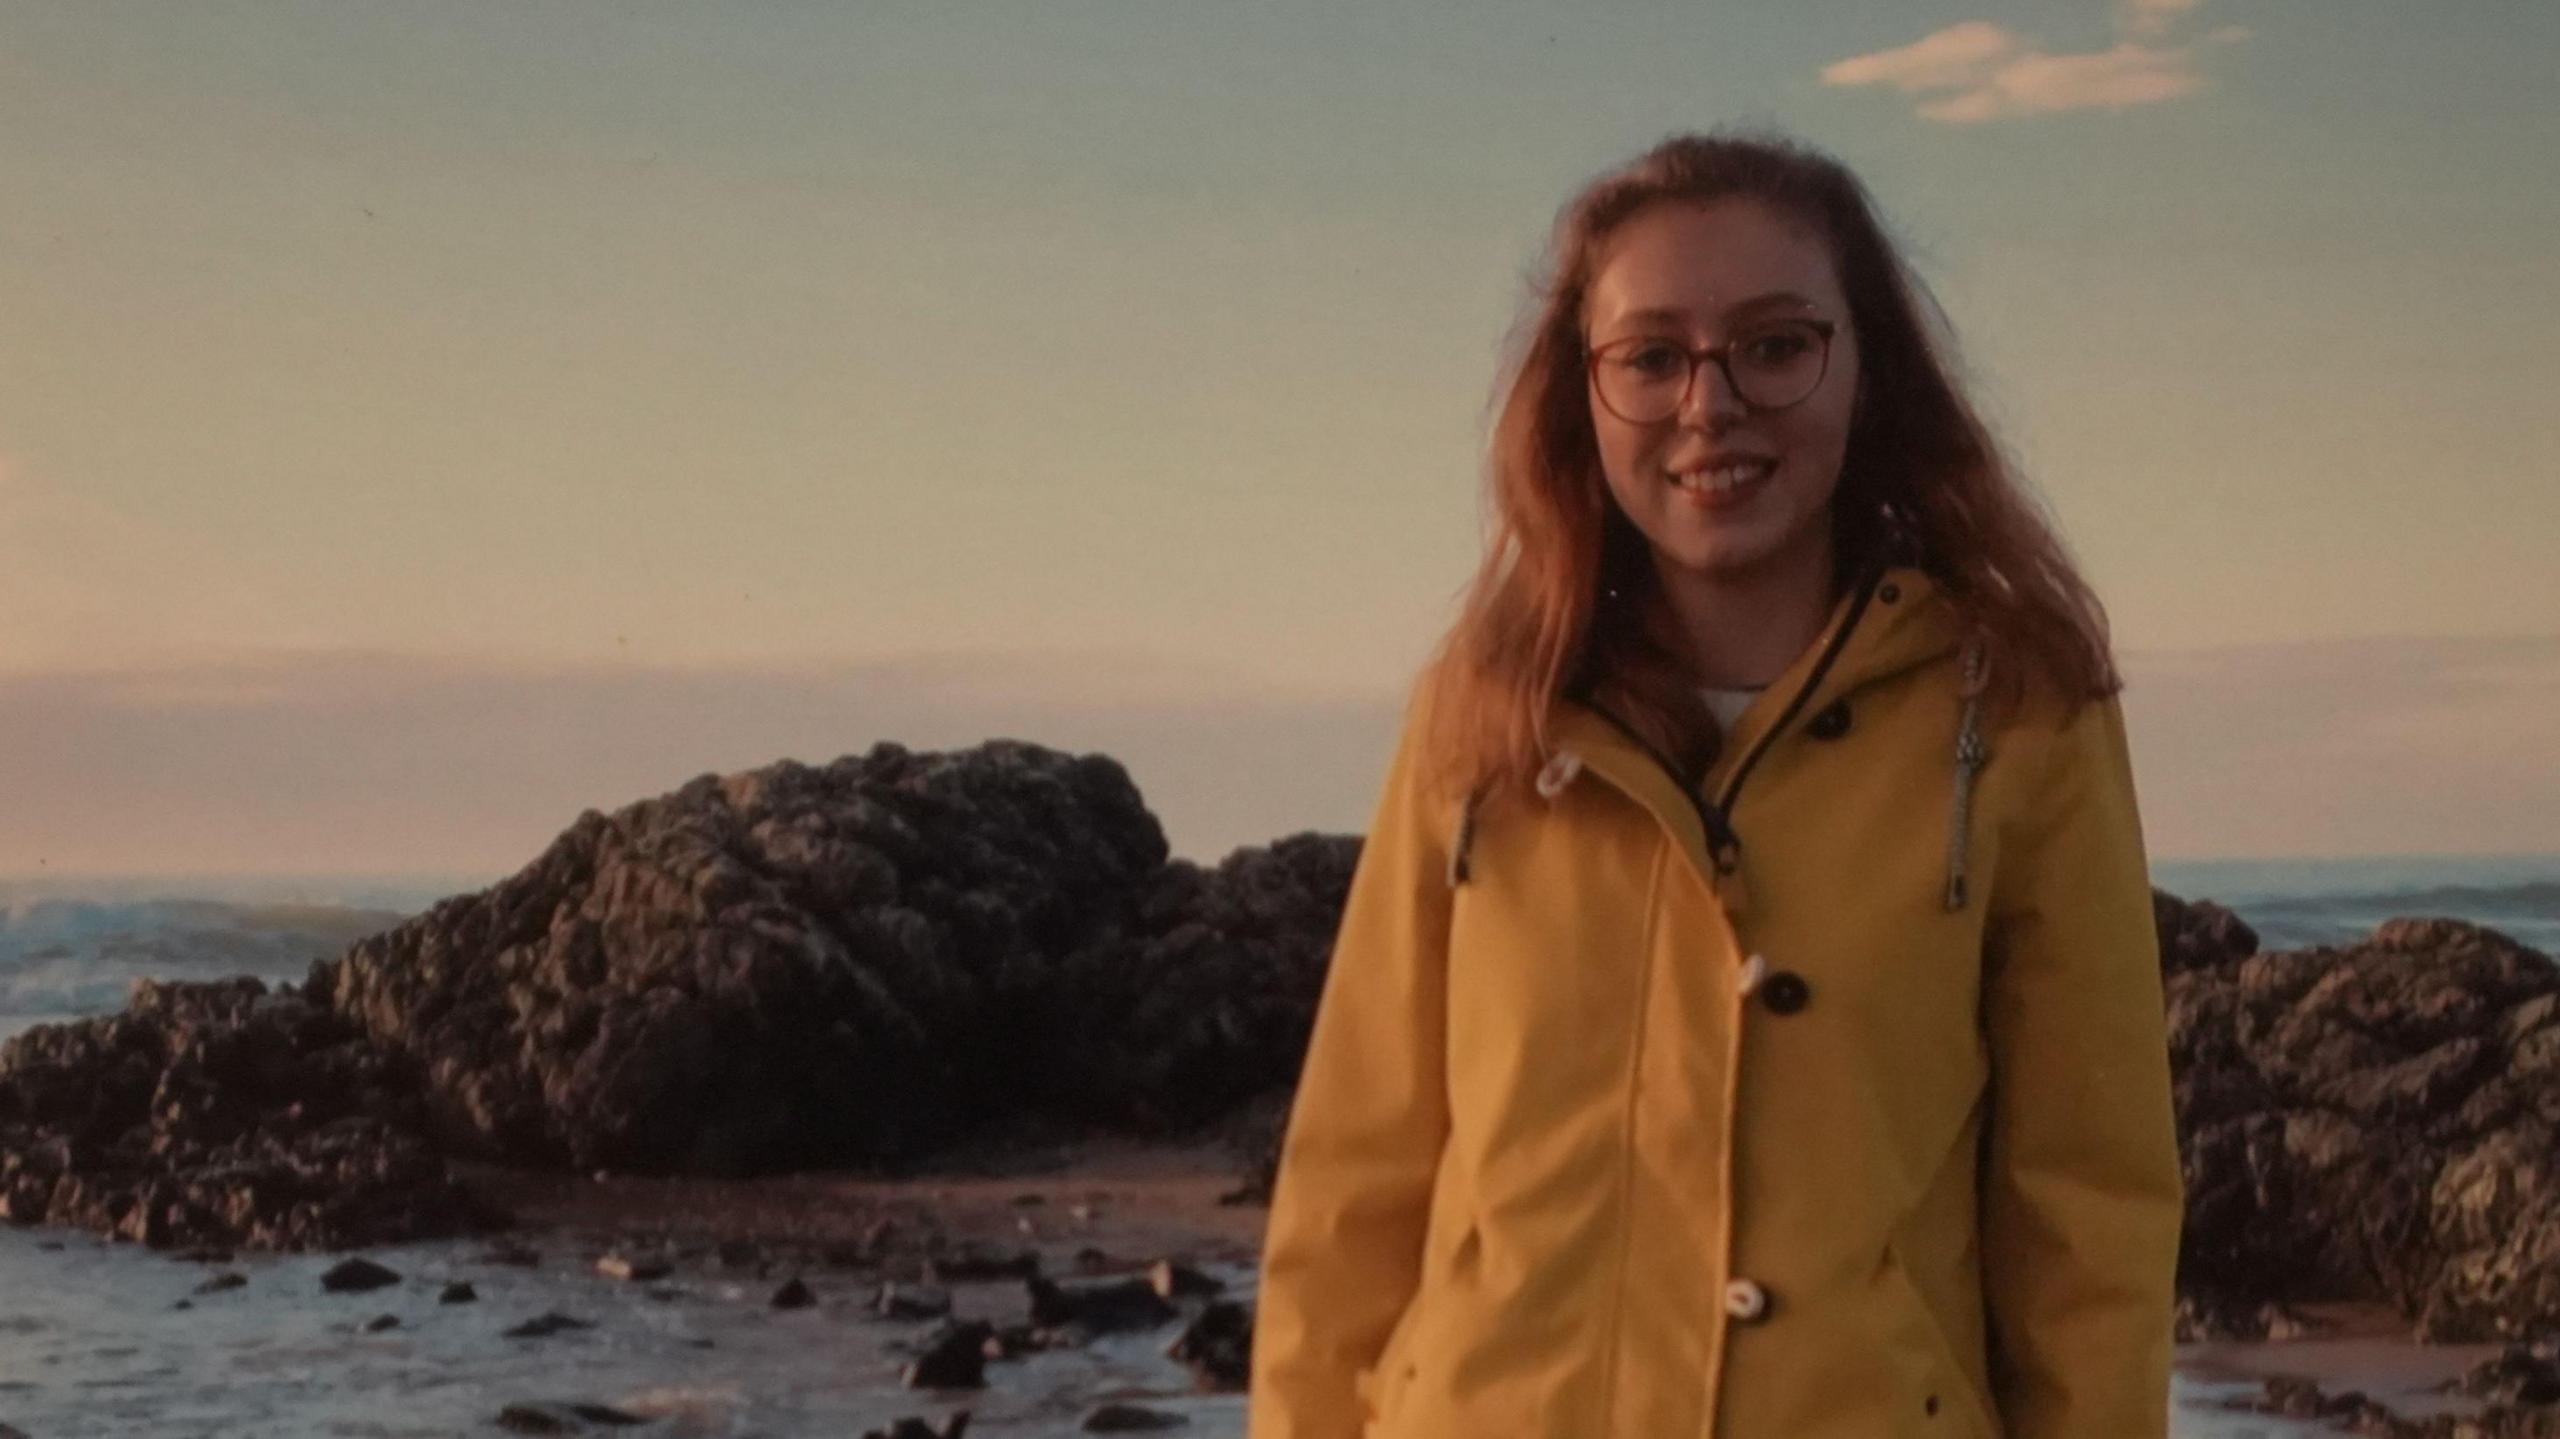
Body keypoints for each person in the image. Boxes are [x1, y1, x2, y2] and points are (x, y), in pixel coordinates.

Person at [1246, 128, 2183, 1438]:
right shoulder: (1487, 711)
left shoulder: (2016, 713)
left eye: (1774, 342)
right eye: (1652, 357)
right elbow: (1353, 1186)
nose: (1711, 403)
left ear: (1867, 366)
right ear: (1586, 389)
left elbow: (2088, 1216)